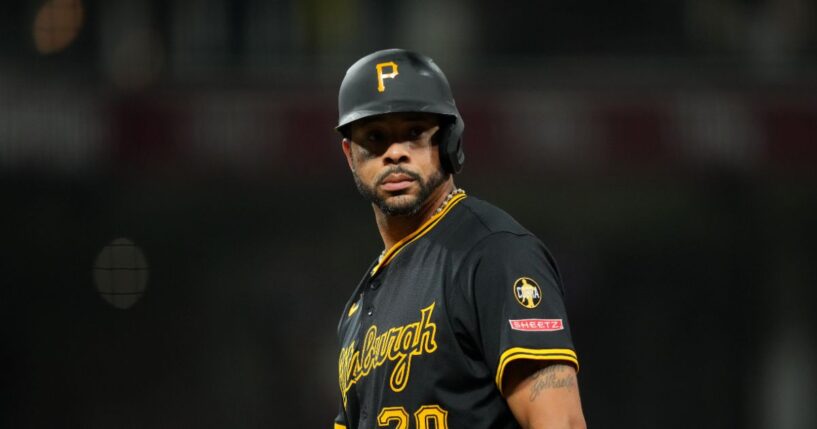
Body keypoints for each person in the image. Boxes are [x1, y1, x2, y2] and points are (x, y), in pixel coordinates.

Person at [333, 48, 586, 429]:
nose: (395, 153)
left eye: (414, 133)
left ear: (449, 140)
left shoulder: (494, 253)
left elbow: (559, 422)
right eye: (375, 137)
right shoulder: (358, 308)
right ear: (350, 154)